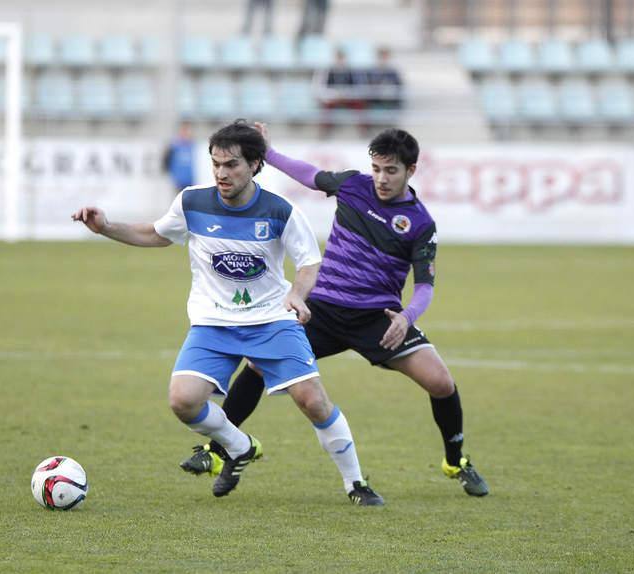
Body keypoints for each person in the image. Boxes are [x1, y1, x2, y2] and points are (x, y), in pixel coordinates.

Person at [73, 120, 383, 506]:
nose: (222, 173)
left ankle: (355, 484)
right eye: (216, 164)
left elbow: (309, 265)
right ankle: (239, 446)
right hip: (213, 323)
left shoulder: (280, 211)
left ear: (255, 164)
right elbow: (155, 234)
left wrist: (299, 296)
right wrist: (105, 227)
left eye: (232, 164)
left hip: (271, 318)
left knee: (312, 400)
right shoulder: (192, 202)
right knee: (182, 401)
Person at [180, 123, 490, 497]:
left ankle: (455, 461)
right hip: (322, 308)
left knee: (440, 381)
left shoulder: (420, 223)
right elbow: (309, 175)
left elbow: (425, 286)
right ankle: (220, 450)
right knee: (259, 365)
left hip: (377, 318)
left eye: (391, 171)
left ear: (412, 170)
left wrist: (407, 317)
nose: (381, 178)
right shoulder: (353, 185)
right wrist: (270, 152)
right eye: (377, 168)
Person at [162, 122, 195, 193]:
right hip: (178, 180)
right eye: (184, 131)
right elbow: (166, 161)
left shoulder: (193, 145)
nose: (187, 133)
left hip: (190, 179)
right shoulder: (173, 146)